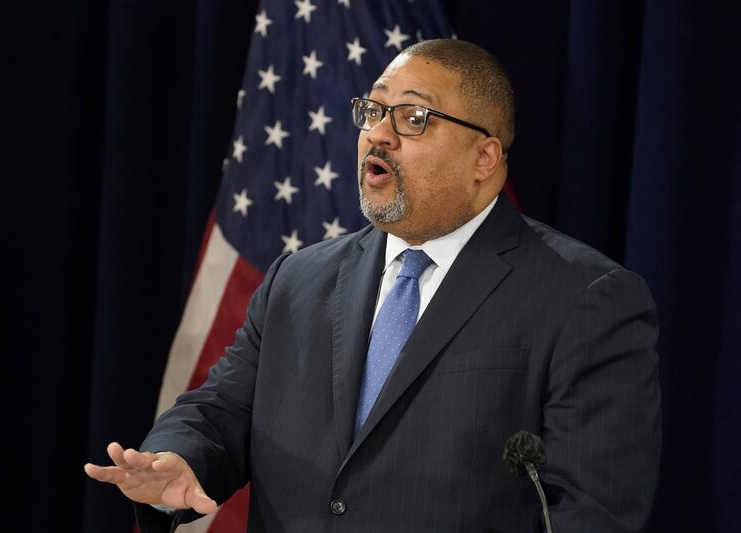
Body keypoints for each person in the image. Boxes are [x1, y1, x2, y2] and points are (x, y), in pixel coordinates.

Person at [85, 39, 661, 533]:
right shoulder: (298, 279)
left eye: (413, 118)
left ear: (484, 156)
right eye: (372, 111)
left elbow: (593, 513)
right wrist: (178, 458)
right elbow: (219, 412)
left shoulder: (584, 296)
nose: (378, 136)